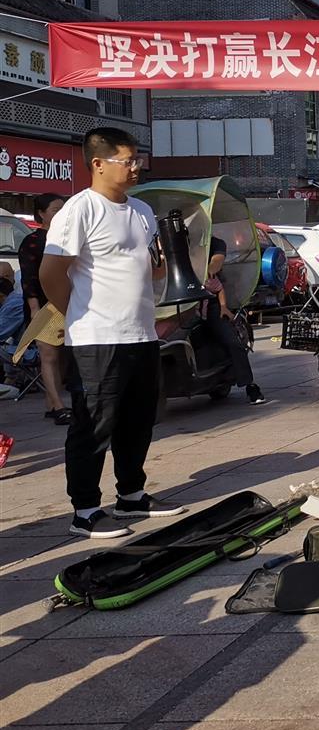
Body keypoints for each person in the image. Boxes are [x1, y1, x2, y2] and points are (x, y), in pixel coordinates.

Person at [40, 128, 185, 539]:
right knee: (94, 423)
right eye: (128, 160)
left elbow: (153, 268)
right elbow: (51, 273)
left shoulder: (141, 210)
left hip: (141, 331)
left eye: (138, 158)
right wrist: (76, 313)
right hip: (97, 336)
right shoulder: (79, 210)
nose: (137, 166)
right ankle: (84, 508)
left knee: (138, 419)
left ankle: (131, 495)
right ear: (98, 163)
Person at [18, 193, 70, 423]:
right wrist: (34, 308)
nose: (60, 214)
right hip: (43, 305)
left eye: (63, 209)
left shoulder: (68, 238)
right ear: (41, 213)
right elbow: (29, 278)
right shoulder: (32, 242)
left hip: (66, 303)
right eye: (55, 210)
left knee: (57, 357)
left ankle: (52, 403)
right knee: (48, 355)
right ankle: (59, 407)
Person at [201, 237, 264, 405]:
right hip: (182, 307)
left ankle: (250, 386)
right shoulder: (173, 242)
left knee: (233, 342)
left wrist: (223, 306)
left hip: (210, 305)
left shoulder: (215, 243)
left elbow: (216, 269)